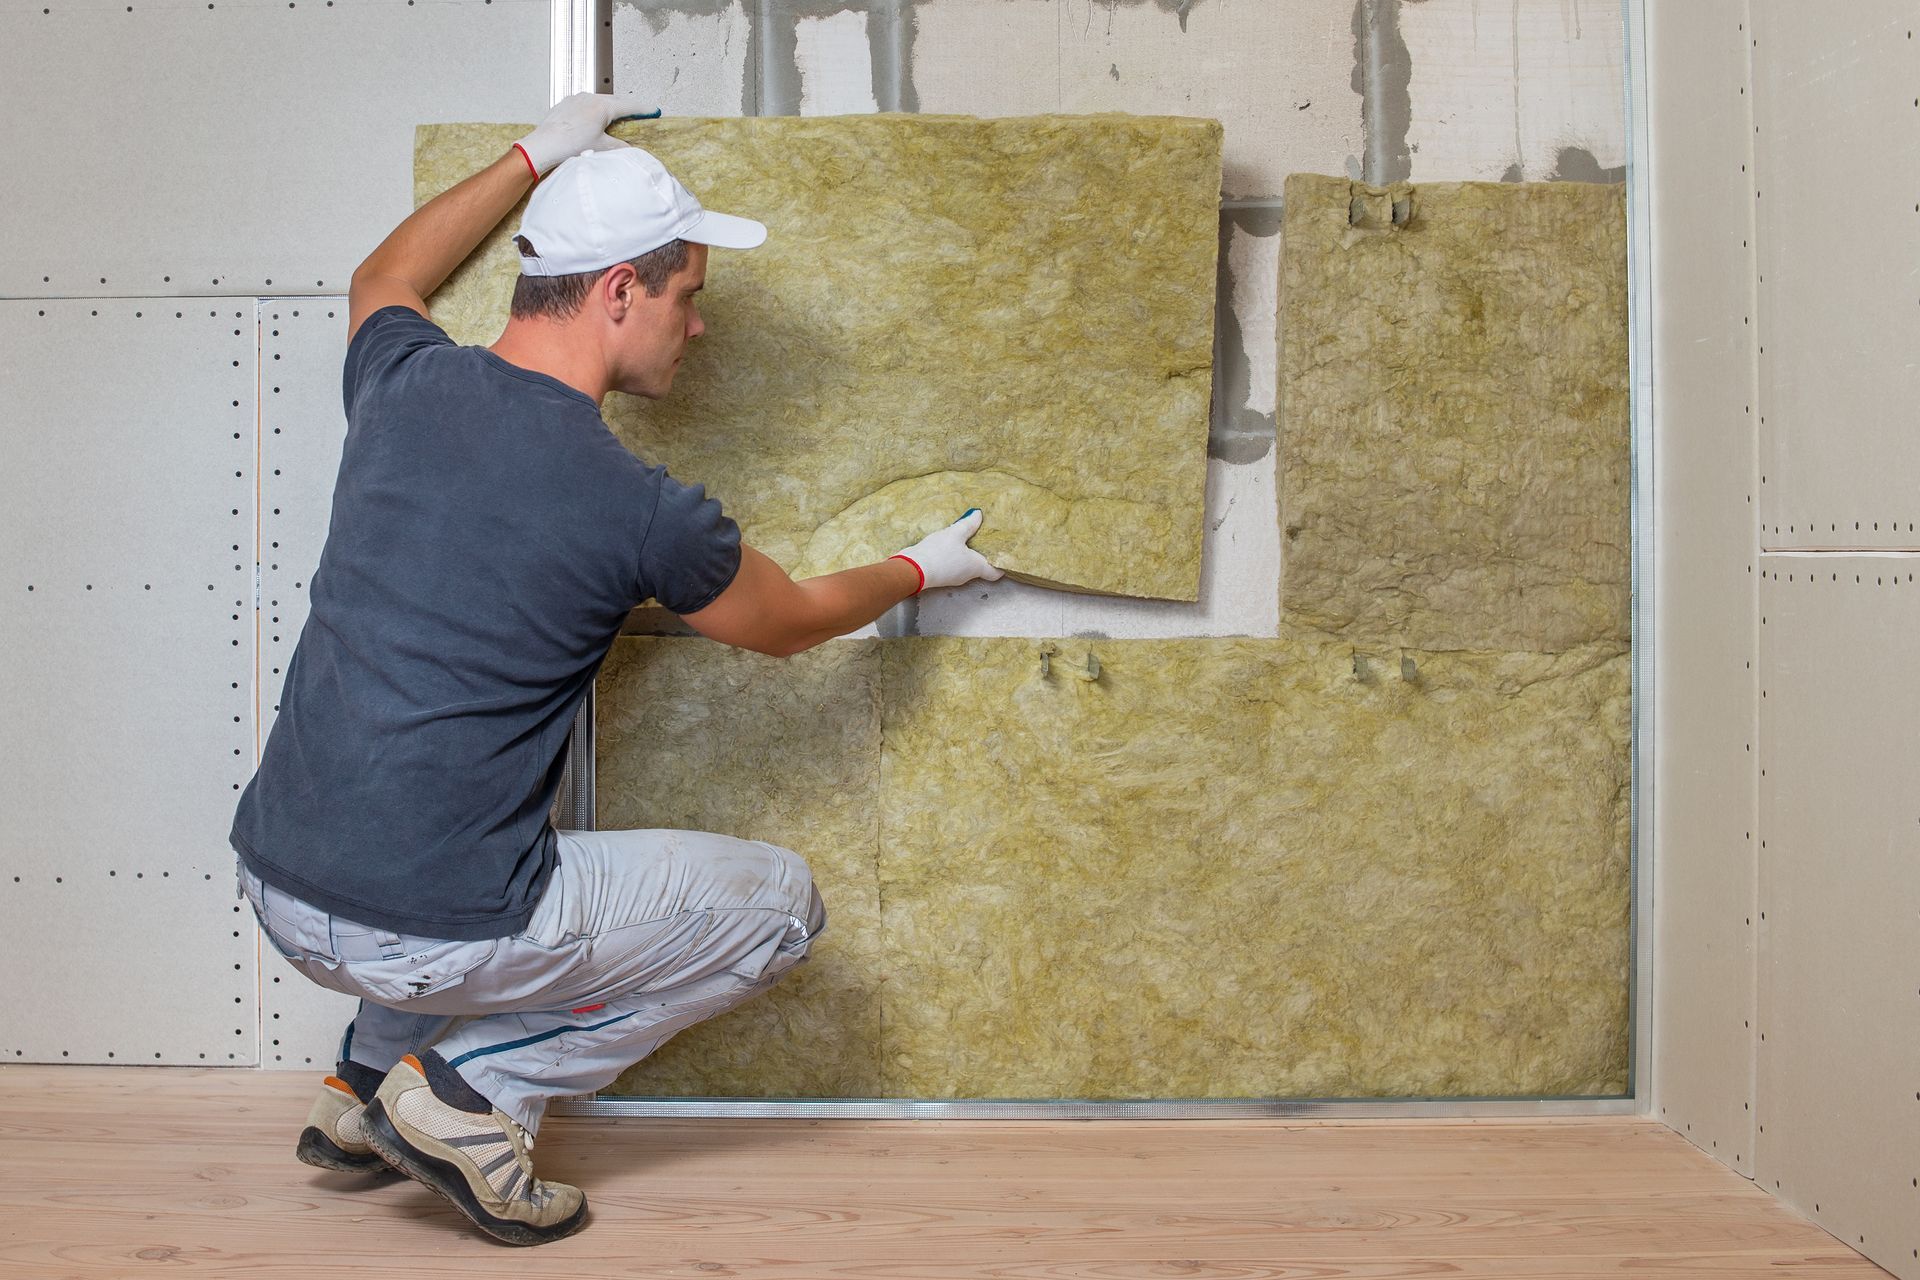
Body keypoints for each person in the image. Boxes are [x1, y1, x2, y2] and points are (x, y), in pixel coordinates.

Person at [229, 91, 1002, 1246]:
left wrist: (536, 151)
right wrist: (917, 569)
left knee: (440, 818)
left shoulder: (402, 385)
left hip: (279, 886)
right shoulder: (638, 508)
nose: (696, 330)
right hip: (417, 927)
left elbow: (380, 278)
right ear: (619, 291)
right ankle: (465, 1096)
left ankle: (358, 1087)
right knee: (778, 908)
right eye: (687, 298)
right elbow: (787, 622)